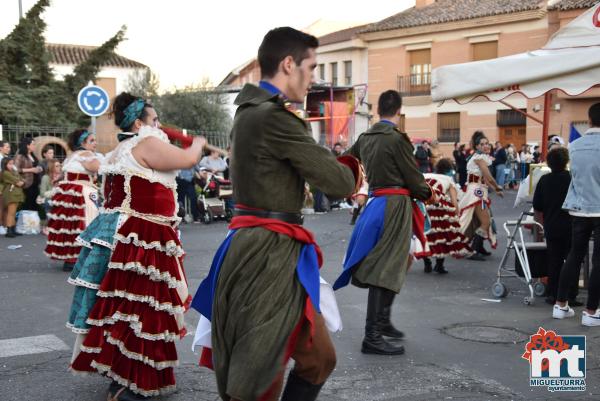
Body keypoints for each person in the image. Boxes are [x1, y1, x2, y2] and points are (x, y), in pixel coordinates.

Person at [191, 27, 356, 401]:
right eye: (310, 68)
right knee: (259, 375)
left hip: (271, 247)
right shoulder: (273, 117)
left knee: (318, 359)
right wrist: (352, 161)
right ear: (288, 64)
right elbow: (339, 183)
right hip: (268, 254)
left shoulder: (252, 113)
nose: (313, 80)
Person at [68, 93, 206, 400]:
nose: (158, 125)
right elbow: (187, 159)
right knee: (144, 308)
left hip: (123, 232)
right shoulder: (145, 143)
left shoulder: (122, 147)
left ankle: (119, 376)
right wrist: (197, 142)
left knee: (122, 308)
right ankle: (134, 383)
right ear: (138, 122)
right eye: (154, 120)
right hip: (143, 234)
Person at [333, 90, 433, 356]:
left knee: (388, 264)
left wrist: (350, 188)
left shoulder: (365, 137)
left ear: (378, 110)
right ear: (398, 111)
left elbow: (346, 162)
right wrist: (427, 193)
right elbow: (412, 176)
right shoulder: (396, 138)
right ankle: (373, 335)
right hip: (395, 206)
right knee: (386, 267)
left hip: (376, 203)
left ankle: (382, 323)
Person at [553, 102, 600, 327]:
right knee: (598, 259)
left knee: (574, 255)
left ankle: (560, 304)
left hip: (579, 207)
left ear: (589, 120)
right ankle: (592, 310)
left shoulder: (574, 145)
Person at [45, 129, 101, 272]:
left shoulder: (72, 156)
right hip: (81, 192)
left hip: (67, 192)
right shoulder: (86, 154)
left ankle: (70, 259)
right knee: (85, 223)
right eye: (92, 141)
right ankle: (81, 257)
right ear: (82, 142)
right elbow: (101, 168)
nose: (95, 143)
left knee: (69, 226)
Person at [533, 147, 581, 306]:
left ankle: (553, 294)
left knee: (554, 261)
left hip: (551, 226)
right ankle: (570, 295)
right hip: (572, 225)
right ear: (566, 161)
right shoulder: (572, 178)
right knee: (572, 261)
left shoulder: (544, 180)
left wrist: (540, 227)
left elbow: (537, 206)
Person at [421, 158, 472, 274]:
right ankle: (439, 265)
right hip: (438, 204)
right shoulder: (449, 179)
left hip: (423, 202)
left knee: (425, 233)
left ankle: (427, 263)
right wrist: (456, 214)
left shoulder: (426, 175)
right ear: (449, 170)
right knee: (441, 235)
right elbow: (454, 200)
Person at [458, 131, 503, 260]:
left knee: (479, 221)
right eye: (482, 144)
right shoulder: (480, 158)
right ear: (477, 146)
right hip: (477, 192)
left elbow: (485, 178)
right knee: (486, 221)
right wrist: (497, 187)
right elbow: (488, 176)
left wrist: (495, 189)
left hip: (477, 190)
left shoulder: (479, 157)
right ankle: (474, 249)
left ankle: (479, 247)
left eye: (487, 143)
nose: (486, 146)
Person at [14, 136, 43, 211]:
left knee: (34, 204)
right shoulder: (20, 156)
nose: (34, 146)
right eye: (33, 144)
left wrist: (39, 169)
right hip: (26, 184)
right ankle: (26, 221)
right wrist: (31, 170)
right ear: (27, 145)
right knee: (28, 204)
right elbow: (15, 169)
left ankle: (33, 221)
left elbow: (36, 166)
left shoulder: (32, 155)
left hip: (35, 183)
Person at [0, 157, 25, 238]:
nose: (12, 165)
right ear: (4, 165)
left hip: (16, 194)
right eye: (9, 164)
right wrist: (19, 181)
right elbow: (18, 182)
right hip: (10, 194)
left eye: (12, 163)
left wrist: (20, 180)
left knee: (13, 212)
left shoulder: (13, 171)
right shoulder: (5, 173)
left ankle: (13, 229)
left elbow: (22, 180)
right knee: (11, 213)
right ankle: (9, 230)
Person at [39, 159, 63, 234]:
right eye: (57, 166)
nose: (59, 167)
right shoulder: (46, 177)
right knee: (49, 203)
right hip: (50, 199)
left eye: (59, 165)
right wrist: (53, 192)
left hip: (61, 199)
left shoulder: (62, 177)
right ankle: (48, 226)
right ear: (51, 167)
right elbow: (42, 193)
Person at [0, 140, 11, 235]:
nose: (9, 149)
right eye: (6, 147)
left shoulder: (7, 158)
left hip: (7, 186)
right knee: (1, 207)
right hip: (1, 185)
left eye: (9, 147)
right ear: (1, 148)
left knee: (5, 207)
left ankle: (4, 225)